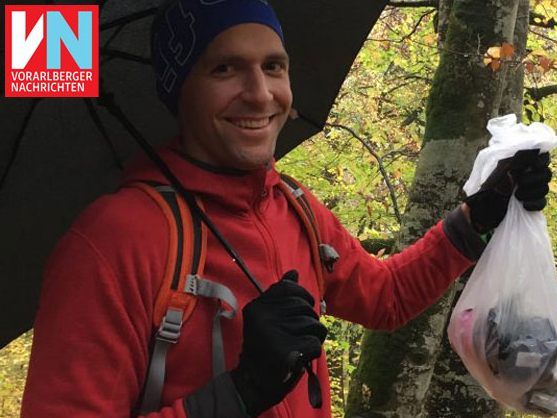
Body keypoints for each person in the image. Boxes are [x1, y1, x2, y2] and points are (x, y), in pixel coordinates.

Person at [21, 1, 552, 417]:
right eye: (225, 69)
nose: (260, 95)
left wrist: (478, 217)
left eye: (273, 66)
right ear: (180, 91)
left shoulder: (292, 205)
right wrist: (240, 391)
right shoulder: (114, 240)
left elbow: (385, 298)